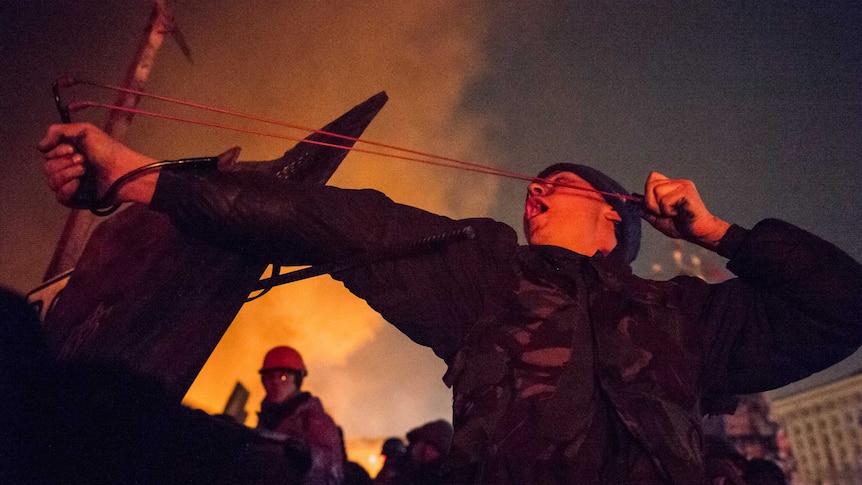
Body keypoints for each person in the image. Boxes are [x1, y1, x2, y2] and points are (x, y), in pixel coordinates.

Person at [40, 123, 862, 483]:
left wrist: (722, 232)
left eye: (560, 182)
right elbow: (320, 217)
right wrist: (136, 175)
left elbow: (841, 306)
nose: (535, 189)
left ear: (615, 211)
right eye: (532, 186)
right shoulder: (483, 268)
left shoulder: (687, 315)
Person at [256, 345, 344, 484]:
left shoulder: (315, 419)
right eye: (269, 377)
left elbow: (334, 472)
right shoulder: (267, 420)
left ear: (297, 380)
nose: (275, 382)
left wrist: (308, 458)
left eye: (283, 376)